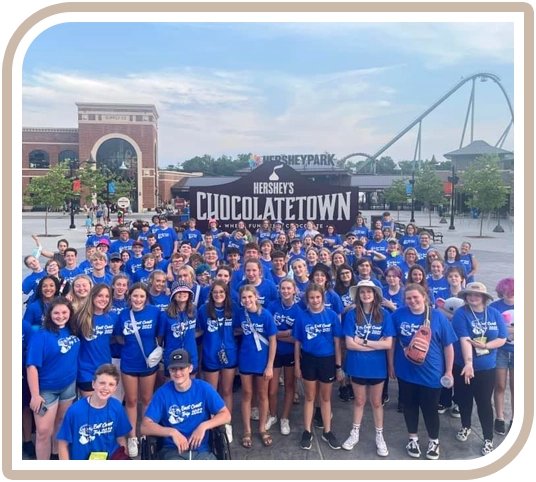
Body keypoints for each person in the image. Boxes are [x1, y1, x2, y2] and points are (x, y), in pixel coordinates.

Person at [389, 283, 457, 460]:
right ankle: (413, 438)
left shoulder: (438, 317)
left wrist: (448, 371)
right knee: (409, 406)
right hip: (406, 371)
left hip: (432, 372)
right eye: (409, 298)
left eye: (416, 297)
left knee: (430, 409)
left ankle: (434, 441)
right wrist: (391, 365)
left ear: (424, 297)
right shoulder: (398, 315)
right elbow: (392, 342)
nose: (412, 301)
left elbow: (448, 346)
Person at [140, 348, 231, 460]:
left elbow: (226, 415)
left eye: (182, 368)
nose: (178, 373)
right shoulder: (162, 394)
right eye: (174, 369)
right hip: (172, 451)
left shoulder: (204, 388)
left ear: (190, 368)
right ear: (169, 371)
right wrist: (172, 432)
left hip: (202, 450)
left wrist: (204, 426)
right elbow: (145, 426)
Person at [452, 282, 507, 456]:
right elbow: (464, 339)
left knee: (484, 402)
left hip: (486, 367)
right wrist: (469, 363)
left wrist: (486, 345)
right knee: (464, 399)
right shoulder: (461, 314)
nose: (472, 297)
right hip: (462, 366)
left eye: (476, 295)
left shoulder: (494, 314)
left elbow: (502, 338)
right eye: (469, 294)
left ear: (484, 297)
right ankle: (466, 426)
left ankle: (488, 438)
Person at [342, 280, 395, 455]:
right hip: (357, 365)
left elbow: (388, 344)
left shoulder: (384, 314)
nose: (366, 295)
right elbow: (349, 344)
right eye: (362, 292)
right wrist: (375, 344)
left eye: (369, 292)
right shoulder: (351, 314)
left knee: (376, 401)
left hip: (377, 366)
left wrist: (363, 341)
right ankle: (354, 433)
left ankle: (380, 436)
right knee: (359, 400)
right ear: (358, 295)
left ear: (375, 295)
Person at [26, 297, 81, 460]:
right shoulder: (41, 336)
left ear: (70, 313)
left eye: (64, 312)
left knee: (61, 423)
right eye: (56, 313)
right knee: (43, 432)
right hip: (46, 390)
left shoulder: (73, 329)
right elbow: (32, 367)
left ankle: (56, 455)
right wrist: (35, 395)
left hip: (68, 385)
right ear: (49, 314)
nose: (60, 316)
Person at [113, 282, 161, 458]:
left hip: (148, 363)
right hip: (129, 362)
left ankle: (145, 433)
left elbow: (160, 335)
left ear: (146, 298)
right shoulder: (123, 315)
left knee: (147, 399)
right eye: (135, 296)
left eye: (141, 296)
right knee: (132, 401)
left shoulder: (155, 313)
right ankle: (132, 436)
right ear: (129, 297)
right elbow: (118, 336)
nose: (138, 299)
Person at [293, 283, 343, 451]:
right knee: (309, 396)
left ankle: (327, 431)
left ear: (323, 298)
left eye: (318, 297)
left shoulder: (332, 315)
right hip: (308, 359)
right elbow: (297, 343)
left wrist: (338, 366)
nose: (315, 300)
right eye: (312, 297)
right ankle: (307, 431)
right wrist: (297, 365)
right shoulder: (302, 316)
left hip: (327, 360)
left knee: (326, 397)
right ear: (307, 299)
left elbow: (337, 343)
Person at [57, 363, 132, 460]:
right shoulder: (74, 411)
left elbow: (121, 439)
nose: (106, 388)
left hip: (110, 457)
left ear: (115, 388)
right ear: (93, 384)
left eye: (111, 384)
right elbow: (63, 444)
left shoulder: (117, 407)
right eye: (102, 383)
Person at [196, 280, 239, 443]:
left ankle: (227, 423)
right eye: (216, 292)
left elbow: (238, 328)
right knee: (212, 392)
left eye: (222, 292)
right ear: (211, 294)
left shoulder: (233, 308)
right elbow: (200, 330)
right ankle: (212, 425)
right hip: (210, 354)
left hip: (229, 354)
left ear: (226, 293)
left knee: (227, 390)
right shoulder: (203, 310)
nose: (219, 295)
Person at [236, 285, 278, 448]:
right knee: (246, 393)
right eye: (244, 298)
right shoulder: (240, 314)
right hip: (246, 358)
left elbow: (273, 340)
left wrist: (270, 366)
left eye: (249, 297)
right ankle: (247, 429)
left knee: (262, 394)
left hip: (262, 360)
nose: (247, 300)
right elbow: (238, 329)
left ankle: (262, 428)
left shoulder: (265, 314)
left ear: (256, 297)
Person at [266, 278, 301, 436]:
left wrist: (277, 335)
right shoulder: (273, 306)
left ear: (294, 290)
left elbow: (296, 338)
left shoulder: (299, 310)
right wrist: (286, 333)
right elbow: (267, 333)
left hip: (290, 353)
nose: (285, 291)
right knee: (272, 389)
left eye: (289, 288)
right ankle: (272, 415)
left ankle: (284, 418)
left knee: (289, 386)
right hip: (274, 353)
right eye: (283, 288)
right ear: (279, 289)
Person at [75, 283, 118, 398]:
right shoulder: (80, 317)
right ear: (92, 296)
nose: (103, 299)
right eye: (100, 296)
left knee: (103, 406)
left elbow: (115, 338)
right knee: (90, 407)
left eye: (107, 296)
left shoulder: (113, 317)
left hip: (105, 368)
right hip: (86, 370)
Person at [490, 278, 515, 436]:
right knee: (499, 385)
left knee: (516, 388)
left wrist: (505, 331)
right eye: (506, 290)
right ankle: (499, 417)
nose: (509, 293)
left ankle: (516, 418)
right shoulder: (495, 307)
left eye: (512, 290)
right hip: (500, 350)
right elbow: (493, 329)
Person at [159, 281, 199, 378]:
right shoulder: (165, 315)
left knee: (190, 386)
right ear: (173, 295)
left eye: (185, 291)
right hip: (172, 356)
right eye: (178, 292)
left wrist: (187, 336)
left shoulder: (194, 311)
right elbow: (160, 337)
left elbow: (199, 330)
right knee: (172, 386)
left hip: (191, 354)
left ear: (189, 294)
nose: (182, 293)